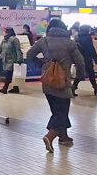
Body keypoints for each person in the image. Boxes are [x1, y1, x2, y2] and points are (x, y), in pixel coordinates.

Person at [27, 19, 85, 153]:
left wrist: (42, 65)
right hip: (62, 82)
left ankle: (63, 137)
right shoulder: (70, 43)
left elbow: (30, 55)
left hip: (47, 82)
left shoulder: (44, 41)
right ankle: (50, 135)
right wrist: (79, 76)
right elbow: (80, 62)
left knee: (57, 110)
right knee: (62, 112)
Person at [73, 25, 97, 96]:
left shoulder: (77, 37)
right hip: (87, 57)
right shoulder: (87, 37)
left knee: (79, 74)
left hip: (79, 58)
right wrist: (96, 59)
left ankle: (73, 88)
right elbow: (91, 49)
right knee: (91, 74)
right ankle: (96, 88)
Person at [0, 27, 24, 94]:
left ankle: (5, 88)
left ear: (8, 32)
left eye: (4, 31)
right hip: (6, 60)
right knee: (12, 74)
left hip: (13, 60)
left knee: (8, 74)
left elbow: (18, 50)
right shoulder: (4, 40)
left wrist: (19, 59)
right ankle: (16, 88)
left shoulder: (15, 40)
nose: (3, 33)